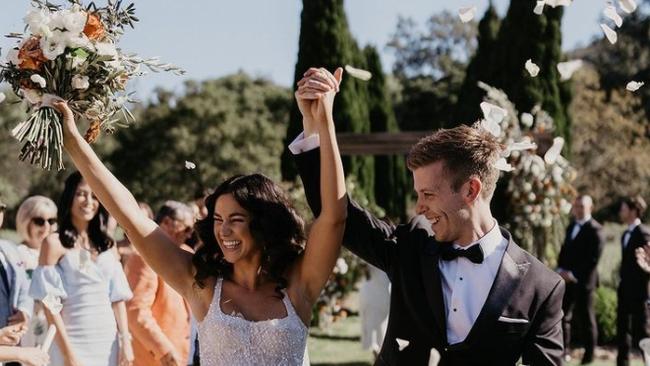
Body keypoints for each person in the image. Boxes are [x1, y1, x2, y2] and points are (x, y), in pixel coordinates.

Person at [54, 66, 347, 365]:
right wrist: (75, 144)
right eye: (218, 220)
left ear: (264, 224)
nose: (224, 231)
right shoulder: (201, 284)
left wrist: (324, 123)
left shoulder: (299, 284)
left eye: (236, 220)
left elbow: (334, 217)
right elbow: (130, 216)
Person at [290, 70, 565, 365]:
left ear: (471, 190)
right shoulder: (408, 248)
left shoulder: (542, 286)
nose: (419, 207)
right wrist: (314, 125)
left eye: (428, 195)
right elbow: (332, 210)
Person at [29, 172, 134, 366]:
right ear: (70, 196)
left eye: (94, 196)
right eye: (81, 194)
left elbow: (117, 298)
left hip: (108, 343)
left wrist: (125, 341)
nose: (88, 201)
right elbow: (50, 303)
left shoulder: (108, 245)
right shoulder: (54, 243)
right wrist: (69, 355)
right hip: (72, 340)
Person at [125, 201, 194, 366]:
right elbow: (136, 311)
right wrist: (164, 351)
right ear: (167, 223)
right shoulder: (143, 257)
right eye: (187, 228)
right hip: (158, 359)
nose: (190, 235)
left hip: (185, 353)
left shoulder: (188, 254)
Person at [556, 194, 604, 364]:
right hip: (566, 280)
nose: (577, 210)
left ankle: (589, 356)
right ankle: (562, 352)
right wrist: (560, 269)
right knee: (561, 317)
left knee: (586, 320)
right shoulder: (571, 226)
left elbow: (593, 259)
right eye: (576, 206)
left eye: (581, 207)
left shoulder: (596, 229)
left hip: (584, 282)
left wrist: (573, 275)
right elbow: (564, 251)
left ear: (590, 208)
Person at [14, 195, 58, 348]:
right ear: (26, 222)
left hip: (59, 328)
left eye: (51, 221)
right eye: (39, 221)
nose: (46, 227)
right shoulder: (17, 255)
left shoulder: (60, 255)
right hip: (30, 330)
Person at [616, 195, 650, 366]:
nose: (620, 212)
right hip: (624, 290)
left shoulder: (644, 233)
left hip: (639, 292)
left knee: (642, 331)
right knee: (622, 329)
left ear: (633, 211)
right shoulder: (624, 234)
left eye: (623, 209)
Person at [0, 197, 33, 351]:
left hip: (14, 345)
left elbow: (25, 285)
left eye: (0, 208)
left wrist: (24, 311)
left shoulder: (10, 249)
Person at [359, 263, 390, 358]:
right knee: (372, 324)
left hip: (384, 290)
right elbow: (363, 268)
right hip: (372, 291)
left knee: (382, 325)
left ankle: (381, 354)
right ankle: (377, 354)